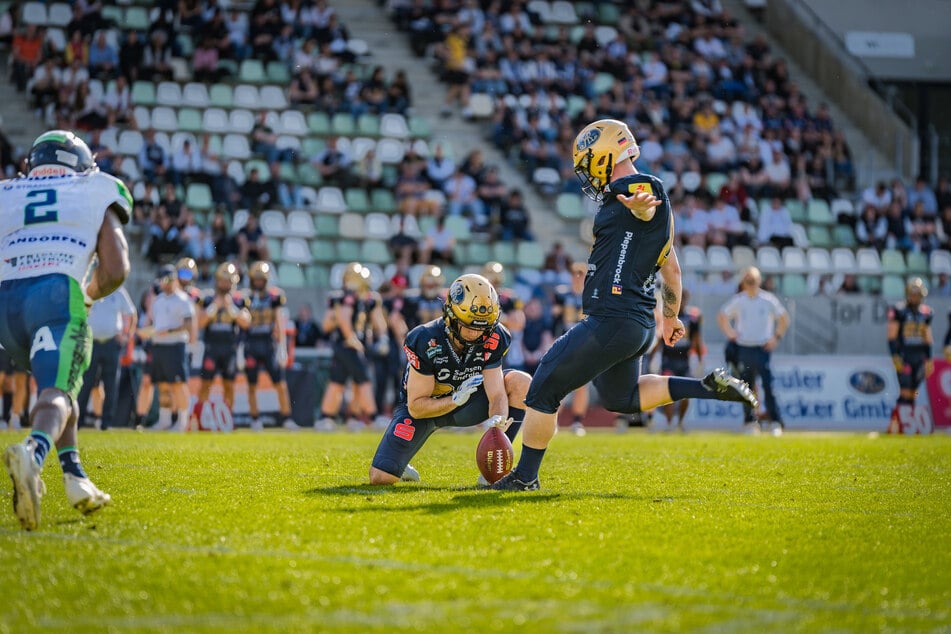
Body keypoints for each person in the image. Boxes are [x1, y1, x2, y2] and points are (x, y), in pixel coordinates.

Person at [491, 120, 757, 491]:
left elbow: (644, 206)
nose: (587, 173)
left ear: (604, 155)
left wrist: (642, 210)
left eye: (588, 163)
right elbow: (672, 269)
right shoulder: (642, 194)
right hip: (636, 323)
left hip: (613, 319)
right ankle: (707, 386)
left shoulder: (639, 190)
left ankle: (524, 478)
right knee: (622, 397)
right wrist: (669, 317)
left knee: (544, 387)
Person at [1, 130, 132, 530]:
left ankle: (75, 478)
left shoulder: (6, 190)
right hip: (57, 292)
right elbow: (116, 269)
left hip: (5, 305)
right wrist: (89, 295)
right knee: (59, 391)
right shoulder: (97, 186)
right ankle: (33, 454)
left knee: (61, 384)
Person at [369, 273, 532, 485]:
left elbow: (497, 392)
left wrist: (497, 420)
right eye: (469, 326)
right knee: (381, 477)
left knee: (521, 382)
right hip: (426, 409)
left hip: (469, 404)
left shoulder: (495, 336)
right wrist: (454, 399)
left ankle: (494, 471)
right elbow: (416, 406)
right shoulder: (425, 339)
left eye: (483, 327)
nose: (476, 333)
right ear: (450, 316)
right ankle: (400, 465)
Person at [717, 266, 789, 435]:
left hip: (762, 348)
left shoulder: (768, 300)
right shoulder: (739, 300)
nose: (751, 284)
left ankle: (775, 421)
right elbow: (722, 316)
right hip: (744, 348)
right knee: (746, 387)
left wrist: (776, 338)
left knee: (768, 385)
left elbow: (784, 318)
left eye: (753, 280)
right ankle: (750, 422)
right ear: (744, 282)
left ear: (759, 281)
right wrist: (730, 333)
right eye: (748, 281)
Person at [316, 262, 388, 431]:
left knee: (338, 382)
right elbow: (329, 325)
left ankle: (331, 417)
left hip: (359, 344)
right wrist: (350, 336)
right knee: (364, 380)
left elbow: (379, 322)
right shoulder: (342, 298)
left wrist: (383, 338)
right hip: (346, 344)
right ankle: (372, 417)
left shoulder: (369, 299)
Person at [76, 284, 136, 430]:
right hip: (91, 343)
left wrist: (127, 335)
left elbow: (132, 313)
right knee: (85, 383)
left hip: (111, 344)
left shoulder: (119, 292)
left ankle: (106, 422)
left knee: (111, 385)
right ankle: (78, 420)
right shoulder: (89, 289)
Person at [197, 262, 251, 416]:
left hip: (230, 348)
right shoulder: (208, 298)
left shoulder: (239, 300)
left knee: (229, 385)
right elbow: (200, 322)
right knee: (206, 384)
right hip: (211, 347)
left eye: (228, 280)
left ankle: (227, 417)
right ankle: (201, 417)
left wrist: (232, 309)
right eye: (223, 280)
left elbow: (247, 322)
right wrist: (214, 307)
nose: (225, 283)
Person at [149, 264, 196, 432]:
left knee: (178, 384)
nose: (165, 283)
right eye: (163, 280)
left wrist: (167, 331)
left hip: (175, 345)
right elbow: (155, 323)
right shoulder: (158, 300)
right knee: (162, 385)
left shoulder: (183, 299)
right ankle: (164, 420)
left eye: (169, 279)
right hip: (160, 346)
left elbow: (188, 325)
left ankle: (182, 422)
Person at [652, 289, 704, 432]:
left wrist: (700, 359)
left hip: (684, 359)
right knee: (669, 390)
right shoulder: (666, 317)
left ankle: (680, 422)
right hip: (668, 358)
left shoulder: (691, 318)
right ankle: (669, 423)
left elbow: (697, 340)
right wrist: (653, 356)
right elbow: (659, 339)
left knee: (686, 393)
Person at [551, 261, 590, 436]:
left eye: (581, 274)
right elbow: (554, 320)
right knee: (559, 384)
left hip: (584, 344)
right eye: (575, 273)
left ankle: (577, 422)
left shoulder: (591, 295)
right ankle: (553, 421)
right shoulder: (562, 294)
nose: (578, 277)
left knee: (581, 386)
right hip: (564, 342)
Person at [890, 278, 933, 414]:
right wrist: (895, 355)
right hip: (905, 355)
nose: (914, 298)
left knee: (914, 392)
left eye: (917, 295)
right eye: (912, 294)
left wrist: (929, 358)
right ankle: (899, 423)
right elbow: (891, 335)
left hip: (919, 356)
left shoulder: (926, 313)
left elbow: (927, 337)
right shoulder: (899, 310)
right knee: (905, 390)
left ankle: (909, 424)